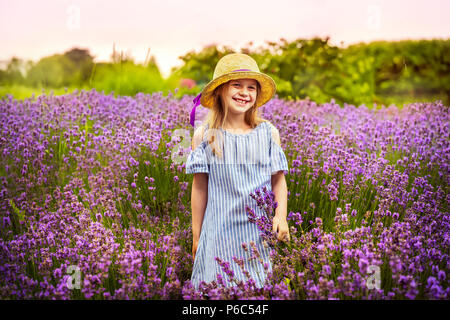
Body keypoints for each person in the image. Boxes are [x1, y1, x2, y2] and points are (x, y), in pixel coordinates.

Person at [185, 53, 290, 290]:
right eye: (237, 85)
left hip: (256, 235)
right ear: (221, 90)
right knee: (216, 290)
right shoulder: (205, 135)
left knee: (256, 290)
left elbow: (278, 181)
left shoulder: (268, 132)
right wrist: (196, 235)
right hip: (218, 233)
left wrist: (280, 216)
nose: (245, 92)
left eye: (251, 87)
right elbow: (199, 187)